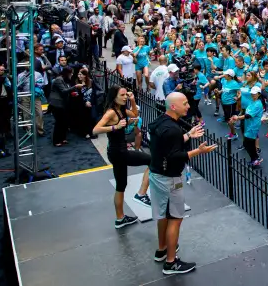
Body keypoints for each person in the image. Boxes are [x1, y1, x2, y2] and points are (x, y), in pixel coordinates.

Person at [148, 92, 217, 275]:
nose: (188, 106)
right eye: (185, 103)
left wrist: (187, 135)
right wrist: (198, 151)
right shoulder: (172, 129)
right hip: (169, 179)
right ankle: (171, 263)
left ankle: (162, 249)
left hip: (157, 175)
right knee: (175, 218)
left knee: (163, 214)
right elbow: (173, 156)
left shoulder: (162, 123)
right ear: (173, 107)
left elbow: (166, 145)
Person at [93, 86, 152, 228]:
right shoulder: (111, 113)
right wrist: (116, 127)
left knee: (121, 185)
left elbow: (134, 115)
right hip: (119, 153)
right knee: (152, 160)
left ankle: (120, 219)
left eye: (126, 94)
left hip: (116, 152)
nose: (125, 97)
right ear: (114, 97)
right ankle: (141, 194)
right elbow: (96, 129)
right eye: (123, 95)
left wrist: (132, 100)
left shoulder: (121, 110)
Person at [230, 85, 264, 166]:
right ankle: (255, 158)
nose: (252, 95)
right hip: (248, 125)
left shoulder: (257, 104)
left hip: (253, 126)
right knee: (248, 143)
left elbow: (248, 115)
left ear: (259, 94)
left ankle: (255, 160)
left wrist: (237, 117)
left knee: (249, 143)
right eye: (252, 93)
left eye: (254, 94)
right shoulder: (252, 101)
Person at [49, 66, 81, 147]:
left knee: (64, 122)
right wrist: (75, 87)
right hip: (56, 104)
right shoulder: (59, 80)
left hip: (62, 104)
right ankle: (56, 140)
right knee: (59, 122)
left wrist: (71, 93)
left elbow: (65, 91)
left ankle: (62, 138)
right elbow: (63, 91)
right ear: (67, 73)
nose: (72, 74)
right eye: (71, 73)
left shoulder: (63, 80)